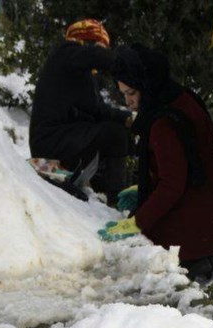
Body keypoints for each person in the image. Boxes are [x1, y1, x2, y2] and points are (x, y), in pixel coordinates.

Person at [100, 43, 213, 281]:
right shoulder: (181, 97)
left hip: (202, 222)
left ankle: (194, 259)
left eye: (131, 93)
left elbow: (172, 185)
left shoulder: (163, 124)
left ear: (147, 85)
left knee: (149, 238)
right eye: (124, 94)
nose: (128, 102)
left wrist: (136, 223)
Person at [29, 19, 132, 205]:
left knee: (109, 133)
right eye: (101, 46)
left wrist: (128, 119)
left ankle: (110, 191)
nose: (103, 52)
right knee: (114, 135)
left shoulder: (78, 72)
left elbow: (96, 109)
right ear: (85, 42)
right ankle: (118, 202)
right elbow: (98, 108)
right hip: (49, 142)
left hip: (60, 141)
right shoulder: (64, 54)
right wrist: (123, 63)